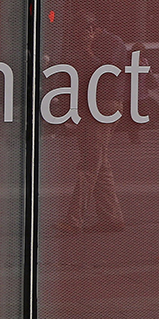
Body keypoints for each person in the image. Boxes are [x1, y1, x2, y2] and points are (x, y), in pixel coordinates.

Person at [57, 14, 128, 233]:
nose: (82, 36)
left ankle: (74, 219)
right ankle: (111, 217)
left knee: (89, 164)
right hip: (92, 106)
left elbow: (105, 72)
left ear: (95, 28)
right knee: (99, 162)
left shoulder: (112, 42)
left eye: (85, 31)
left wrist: (88, 50)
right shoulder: (89, 45)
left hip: (103, 105)